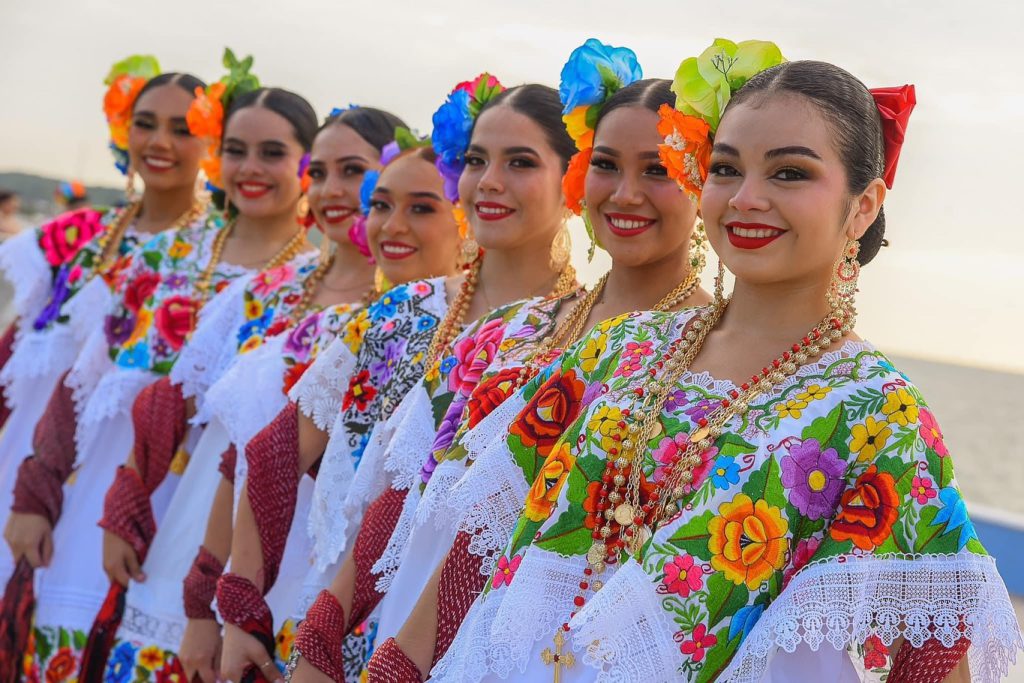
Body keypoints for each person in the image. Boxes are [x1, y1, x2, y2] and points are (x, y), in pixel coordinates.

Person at [434, 40, 1023, 683]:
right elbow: (466, 563)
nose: (745, 197)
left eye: (789, 173)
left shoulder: (879, 415)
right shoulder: (619, 350)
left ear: (863, 206)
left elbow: (931, 662)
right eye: (725, 168)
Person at [360, 39, 719, 680]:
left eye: (659, 169)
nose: (626, 193)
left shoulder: (711, 367)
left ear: (704, 183)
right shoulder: (513, 330)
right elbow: (406, 493)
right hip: (407, 645)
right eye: (606, 165)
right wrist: (329, 634)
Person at [219, 75, 582, 683]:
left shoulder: (591, 340)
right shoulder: (403, 312)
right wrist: (236, 609)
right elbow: (277, 451)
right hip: (331, 623)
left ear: (574, 179)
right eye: (475, 160)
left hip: (469, 648)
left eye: (520, 162)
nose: (489, 181)